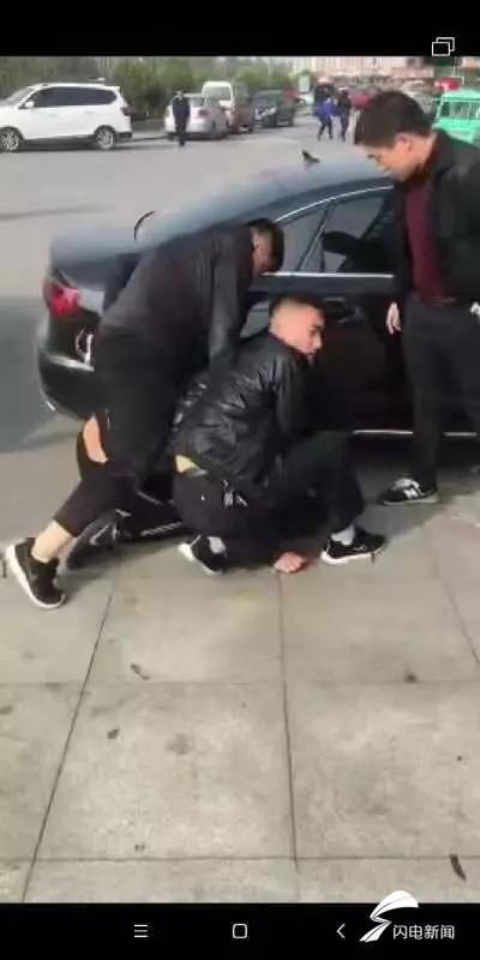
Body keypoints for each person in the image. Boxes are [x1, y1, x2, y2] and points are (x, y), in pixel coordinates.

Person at [5, 218, 284, 608]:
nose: (255, 278)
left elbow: (124, 265)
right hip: (143, 359)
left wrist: (115, 321)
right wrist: (227, 393)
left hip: (125, 346)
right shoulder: (235, 251)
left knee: (138, 447)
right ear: (259, 247)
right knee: (128, 464)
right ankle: (37, 555)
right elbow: (222, 339)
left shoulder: (196, 240)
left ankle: (109, 512)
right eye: (263, 268)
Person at [172, 296, 386, 575]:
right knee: (332, 449)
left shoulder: (248, 350)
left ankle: (215, 543)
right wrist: (268, 554)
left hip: (190, 495)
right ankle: (346, 543)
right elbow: (291, 430)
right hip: (226, 498)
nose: (319, 343)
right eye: (313, 331)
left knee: (311, 515)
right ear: (288, 326)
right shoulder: (283, 361)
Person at [355, 91, 480, 505]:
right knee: (424, 402)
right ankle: (423, 480)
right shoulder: (407, 181)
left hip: (466, 313)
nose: (380, 166)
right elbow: (407, 241)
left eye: (379, 157)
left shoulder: (469, 171)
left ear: (404, 142)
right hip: (420, 310)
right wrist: (402, 292)